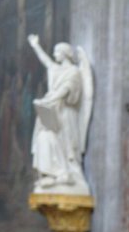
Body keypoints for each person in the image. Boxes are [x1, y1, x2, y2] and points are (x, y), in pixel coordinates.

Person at [27, 34, 93, 192]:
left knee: (66, 145)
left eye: (57, 52)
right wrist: (36, 45)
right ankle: (52, 173)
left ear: (64, 54)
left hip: (66, 114)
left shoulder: (74, 72)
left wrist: (47, 100)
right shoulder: (56, 69)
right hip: (53, 111)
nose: (54, 55)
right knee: (45, 138)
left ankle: (68, 172)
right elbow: (46, 61)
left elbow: (65, 90)